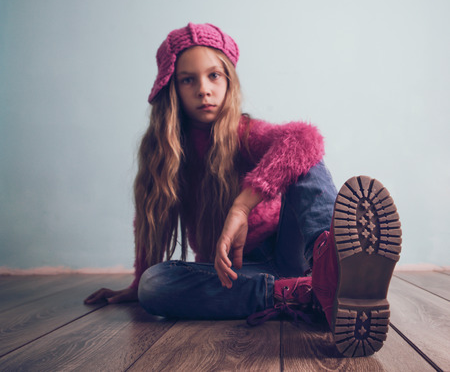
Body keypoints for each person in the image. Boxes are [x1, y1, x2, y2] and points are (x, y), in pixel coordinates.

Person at [85, 23, 402, 357]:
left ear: (229, 81)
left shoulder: (245, 131)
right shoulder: (164, 153)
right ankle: (305, 293)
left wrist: (242, 207)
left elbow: (306, 140)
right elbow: (148, 219)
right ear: (171, 87)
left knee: (301, 153)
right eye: (188, 79)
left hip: (291, 251)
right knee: (155, 285)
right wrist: (137, 285)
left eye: (214, 76)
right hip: (235, 273)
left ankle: (329, 263)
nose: (203, 90)